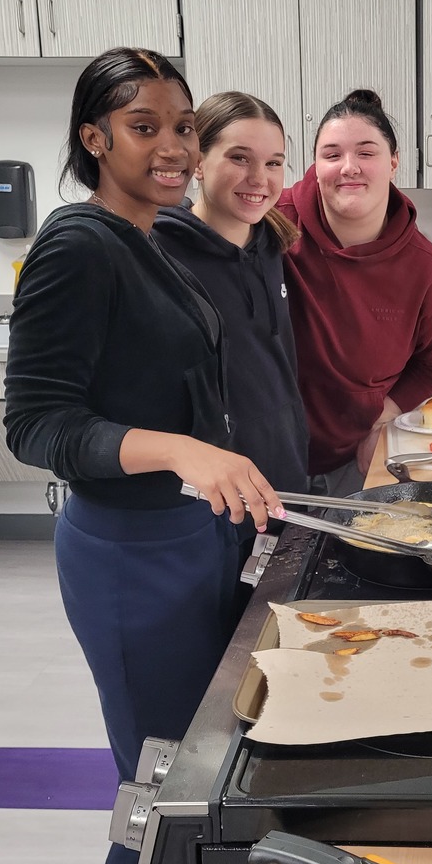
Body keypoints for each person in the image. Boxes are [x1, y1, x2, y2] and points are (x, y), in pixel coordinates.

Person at [3, 48, 281, 864]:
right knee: (165, 790)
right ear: (94, 138)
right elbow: (35, 424)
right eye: (143, 126)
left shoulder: (150, 239)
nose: (173, 147)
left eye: (184, 127)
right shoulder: (79, 246)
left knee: (208, 771)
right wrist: (184, 450)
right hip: (130, 559)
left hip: (195, 540)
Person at [278, 89, 432, 495]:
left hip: (349, 459)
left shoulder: (427, 272)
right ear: (315, 165)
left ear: (393, 163)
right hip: (254, 458)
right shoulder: (273, 225)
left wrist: (382, 417)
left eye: (366, 153)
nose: (348, 167)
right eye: (332, 154)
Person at [151, 91, 309, 572]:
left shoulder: (272, 243)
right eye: (239, 158)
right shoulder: (157, 252)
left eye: (274, 162)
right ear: (197, 161)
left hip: (283, 482)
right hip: (209, 504)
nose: (259, 179)